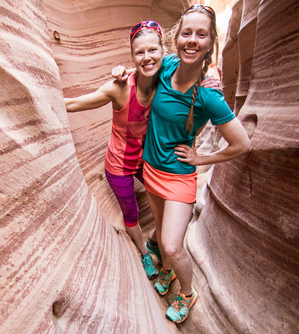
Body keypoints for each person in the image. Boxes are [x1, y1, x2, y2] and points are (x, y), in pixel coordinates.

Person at [116, 4, 251, 323]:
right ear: (176, 38)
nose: (192, 40)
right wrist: (121, 73)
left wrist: (201, 158)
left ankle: (187, 294)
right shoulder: (164, 66)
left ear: (209, 42)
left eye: (201, 34)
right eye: (187, 32)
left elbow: (242, 143)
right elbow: (140, 66)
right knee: (162, 234)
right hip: (150, 168)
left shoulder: (209, 95)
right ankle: (165, 271)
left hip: (178, 177)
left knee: (173, 245)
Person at [65, 20, 223, 280]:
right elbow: (74, 104)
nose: (147, 57)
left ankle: (156, 244)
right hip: (119, 165)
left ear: (163, 51)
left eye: (152, 51)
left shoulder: (165, 78)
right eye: (139, 53)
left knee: (164, 212)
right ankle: (144, 253)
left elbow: (189, 67)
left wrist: (208, 80)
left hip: (148, 161)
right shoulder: (120, 87)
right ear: (132, 56)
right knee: (132, 213)